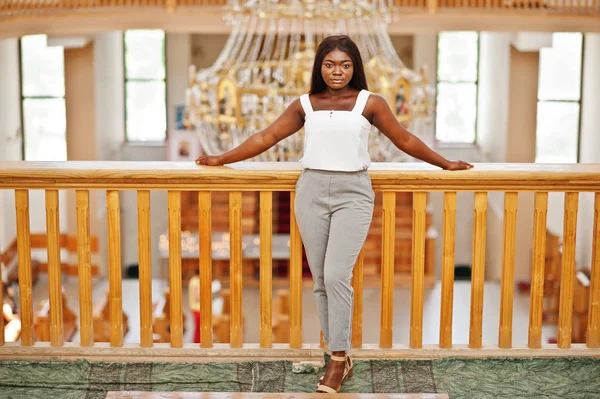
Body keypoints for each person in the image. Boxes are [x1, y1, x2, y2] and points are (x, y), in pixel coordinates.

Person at [196, 35, 473, 393]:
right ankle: (337, 354)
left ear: (355, 66)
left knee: (337, 275)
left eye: (344, 64)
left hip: (353, 193)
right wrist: (220, 158)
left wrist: (445, 163)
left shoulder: (369, 103)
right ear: (319, 67)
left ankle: (338, 359)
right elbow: (266, 136)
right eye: (329, 64)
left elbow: (403, 139)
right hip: (310, 192)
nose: (337, 71)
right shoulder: (305, 104)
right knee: (321, 282)